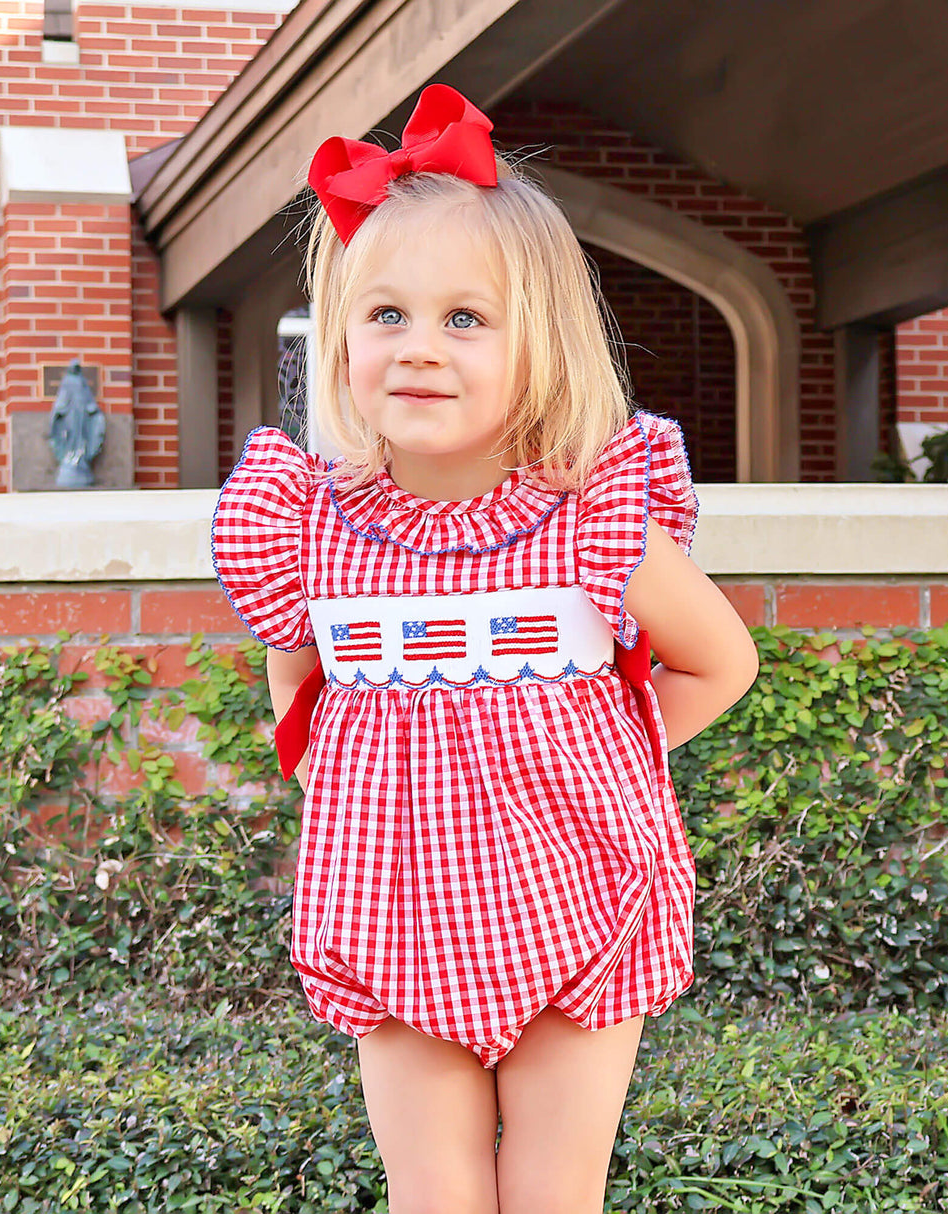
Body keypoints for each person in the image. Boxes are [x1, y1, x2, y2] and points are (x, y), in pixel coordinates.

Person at [211, 83, 759, 1214]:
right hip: (391, 904)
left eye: (465, 318)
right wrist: (357, 793)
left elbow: (717, 661)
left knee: (555, 1190)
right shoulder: (307, 521)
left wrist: (607, 744)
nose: (417, 349)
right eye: (386, 316)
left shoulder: (589, 513)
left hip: (577, 897)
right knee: (434, 1191)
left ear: (539, 342)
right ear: (344, 335)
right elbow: (296, 677)